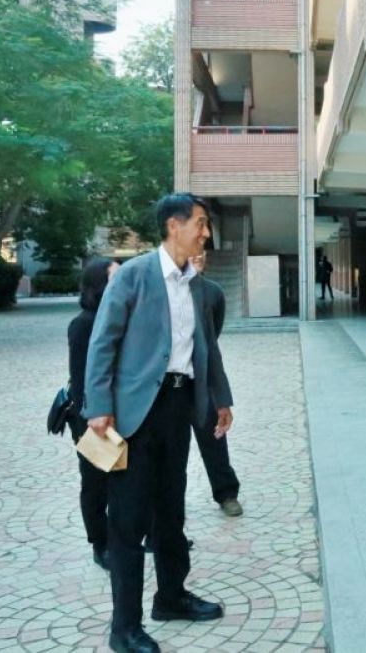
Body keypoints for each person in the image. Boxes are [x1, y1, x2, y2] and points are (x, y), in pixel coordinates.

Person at [82, 193, 234, 653]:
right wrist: (98, 405)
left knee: (171, 510)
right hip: (133, 415)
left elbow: (207, 347)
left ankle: (171, 596)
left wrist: (220, 399)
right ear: (173, 225)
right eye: (200, 223)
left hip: (178, 407)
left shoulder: (197, 286)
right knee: (129, 521)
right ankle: (124, 628)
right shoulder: (134, 275)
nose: (206, 233)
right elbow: (103, 341)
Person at [67, 256, 119, 571]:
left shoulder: (121, 318)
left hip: (124, 412)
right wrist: (91, 419)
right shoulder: (84, 324)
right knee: (97, 482)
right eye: (114, 278)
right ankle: (100, 543)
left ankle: (141, 534)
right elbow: (80, 378)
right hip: (93, 416)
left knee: (128, 479)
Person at [189, 252, 242, 516]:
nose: (198, 255)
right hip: (169, 383)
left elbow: (212, 335)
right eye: (192, 250)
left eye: (202, 251)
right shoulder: (162, 289)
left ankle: (226, 493)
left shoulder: (213, 292)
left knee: (214, 438)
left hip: (202, 379)